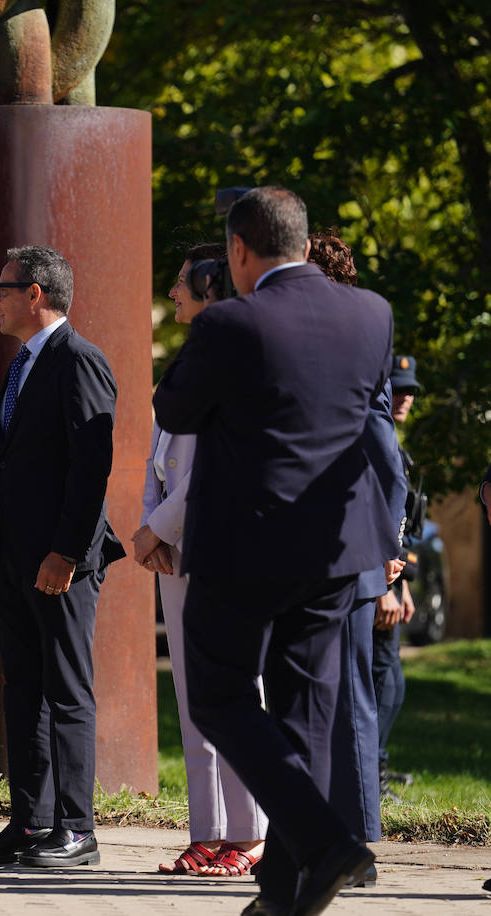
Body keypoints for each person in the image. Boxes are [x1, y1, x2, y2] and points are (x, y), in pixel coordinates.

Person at [154, 187, 395, 916]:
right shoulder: (372, 313)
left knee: (221, 698)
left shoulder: (231, 322)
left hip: (245, 546)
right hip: (336, 545)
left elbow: (175, 409)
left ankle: (325, 844)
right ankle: (285, 891)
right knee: (304, 714)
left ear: (238, 250)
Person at [0, 245, 123, 868]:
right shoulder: (23, 363)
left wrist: (66, 553)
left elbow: (90, 467)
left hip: (61, 561)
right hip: (13, 555)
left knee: (67, 690)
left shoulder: (80, 361)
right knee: (23, 688)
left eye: (3, 288)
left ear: (37, 293)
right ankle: (31, 823)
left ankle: (77, 828)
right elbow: (9, 456)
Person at [133, 243, 268, 878]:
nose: (173, 293)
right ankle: (209, 831)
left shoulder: (237, 360)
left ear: (213, 287)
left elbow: (213, 467)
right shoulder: (189, 357)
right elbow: (158, 460)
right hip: (176, 549)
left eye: (183, 283)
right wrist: (151, 526)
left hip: (218, 547)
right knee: (192, 698)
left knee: (237, 692)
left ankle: (251, 834)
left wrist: (157, 529)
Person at [307, 231, 406, 881]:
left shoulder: (347, 336)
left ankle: (356, 848)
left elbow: (381, 447)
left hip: (343, 547)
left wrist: (390, 547)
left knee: (348, 702)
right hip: (319, 545)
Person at [376, 354, 424, 801]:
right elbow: (374, 517)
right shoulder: (375, 439)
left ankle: (377, 769)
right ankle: (372, 776)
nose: (406, 396)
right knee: (381, 681)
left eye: (411, 390)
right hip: (374, 583)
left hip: (390, 577)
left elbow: (403, 522)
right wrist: (383, 587)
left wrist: (403, 580)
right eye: (400, 387)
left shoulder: (394, 444)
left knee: (389, 682)